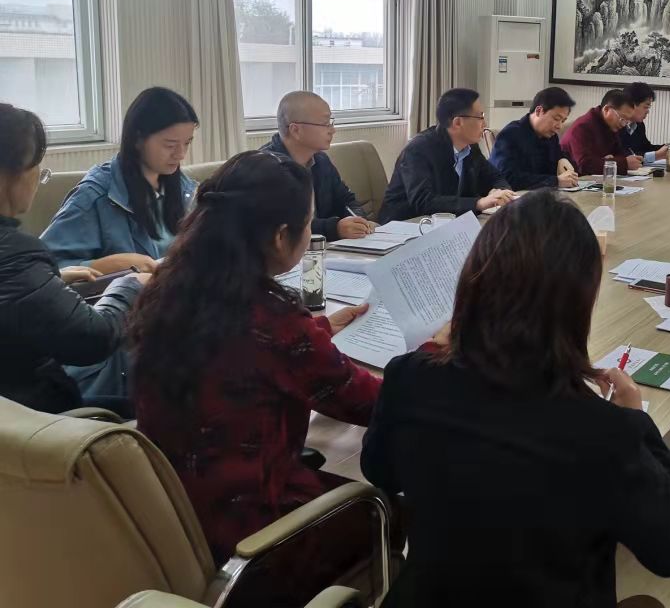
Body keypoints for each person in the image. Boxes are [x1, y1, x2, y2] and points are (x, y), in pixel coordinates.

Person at [362, 190, 670, 607]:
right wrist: (638, 423)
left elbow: (380, 469)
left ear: (475, 279)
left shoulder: (408, 377)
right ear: (580, 303)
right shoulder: (605, 432)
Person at [131, 151, 380, 562]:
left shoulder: (169, 287)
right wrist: (429, 356)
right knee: (388, 510)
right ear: (281, 236)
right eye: (308, 223)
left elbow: (238, 351)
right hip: (254, 532)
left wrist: (317, 330)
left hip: (170, 512)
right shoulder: (274, 319)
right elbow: (367, 402)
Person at [0, 104, 146, 415]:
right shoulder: (16, 253)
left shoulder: (17, 264)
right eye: (37, 167)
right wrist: (129, 286)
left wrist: (46, 283)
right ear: (8, 175)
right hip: (37, 422)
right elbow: (92, 340)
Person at [41, 86, 198, 271]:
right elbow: (42, 267)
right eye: (170, 145)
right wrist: (105, 266)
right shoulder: (94, 196)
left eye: (187, 143)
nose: (181, 154)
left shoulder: (187, 190)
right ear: (138, 139)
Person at [378, 89, 515, 222]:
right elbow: (424, 201)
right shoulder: (418, 149)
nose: (484, 124)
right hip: (406, 225)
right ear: (457, 123)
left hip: (447, 223)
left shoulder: (470, 147)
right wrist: (479, 203)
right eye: (480, 117)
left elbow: (495, 177)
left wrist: (499, 192)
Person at [261, 91, 374, 242]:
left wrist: (358, 221)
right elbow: (282, 227)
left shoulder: (321, 161)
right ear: (296, 130)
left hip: (324, 248)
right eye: (325, 123)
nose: (332, 130)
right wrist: (334, 229)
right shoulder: (267, 168)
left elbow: (346, 200)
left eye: (331, 123)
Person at [488, 86, 579, 191]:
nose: (559, 126)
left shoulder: (551, 136)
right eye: (556, 119)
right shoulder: (510, 135)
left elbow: (561, 161)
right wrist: (556, 181)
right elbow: (508, 178)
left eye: (563, 121)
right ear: (539, 111)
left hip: (545, 195)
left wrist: (563, 160)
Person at [560, 89, 642, 176]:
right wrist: (624, 163)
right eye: (622, 118)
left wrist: (621, 160)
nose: (624, 124)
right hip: (575, 179)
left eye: (627, 121)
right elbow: (584, 165)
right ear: (606, 109)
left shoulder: (611, 125)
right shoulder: (582, 127)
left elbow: (619, 154)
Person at [621, 82, 670, 163]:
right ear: (631, 105)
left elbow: (646, 148)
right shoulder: (617, 125)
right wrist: (656, 155)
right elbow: (624, 155)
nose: (648, 112)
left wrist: (668, 148)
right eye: (646, 107)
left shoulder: (639, 125)